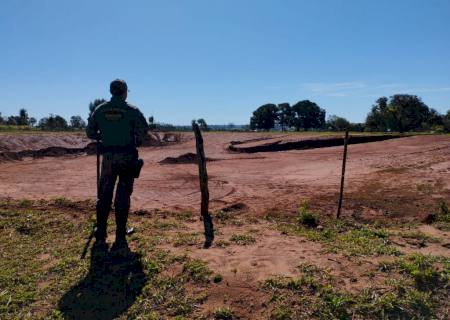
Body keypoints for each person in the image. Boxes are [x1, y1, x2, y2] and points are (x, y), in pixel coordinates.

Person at [86, 79, 148, 247]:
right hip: (127, 157)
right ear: (125, 91)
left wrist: (103, 136)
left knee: (104, 193)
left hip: (108, 157)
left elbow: (90, 132)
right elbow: (143, 133)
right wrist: (136, 140)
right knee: (123, 194)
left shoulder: (100, 109)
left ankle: (101, 231)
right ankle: (120, 234)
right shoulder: (132, 110)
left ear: (111, 91)